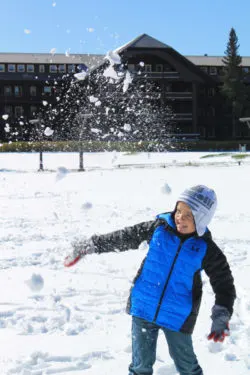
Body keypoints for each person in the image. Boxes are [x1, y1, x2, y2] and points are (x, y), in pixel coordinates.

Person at [67, 184, 236, 375]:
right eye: (179, 210)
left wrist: (221, 313)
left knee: (188, 368)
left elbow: (224, 284)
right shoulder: (159, 228)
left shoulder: (206, 248)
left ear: (202, 219)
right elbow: (125, 236)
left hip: (177, 316)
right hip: (143, 308)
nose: (180, 217)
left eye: (189, 215)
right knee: (140, 367)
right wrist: (92, 245)